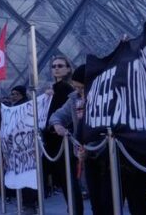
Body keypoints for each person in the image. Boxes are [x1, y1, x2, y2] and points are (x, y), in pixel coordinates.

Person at [50, 66, 98, 215]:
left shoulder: (101, 97)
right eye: (76, 87)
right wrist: (57, 124)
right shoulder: (74, 98)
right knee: (95, 199)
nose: (79, 91)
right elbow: (57, 115)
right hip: (83, 151)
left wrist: (91, 148)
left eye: (82, 88)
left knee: (104, 199)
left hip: (101, 152)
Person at [43, 56, 74, 202]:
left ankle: (73, 208)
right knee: (63, 178)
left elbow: (64, 113)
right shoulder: (53, 88)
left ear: (68, 69)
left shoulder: (66, 88)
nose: (56, 68)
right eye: (54, 66)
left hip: (61, 137)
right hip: (53, 137)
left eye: (60, 66)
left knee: (66, 178)